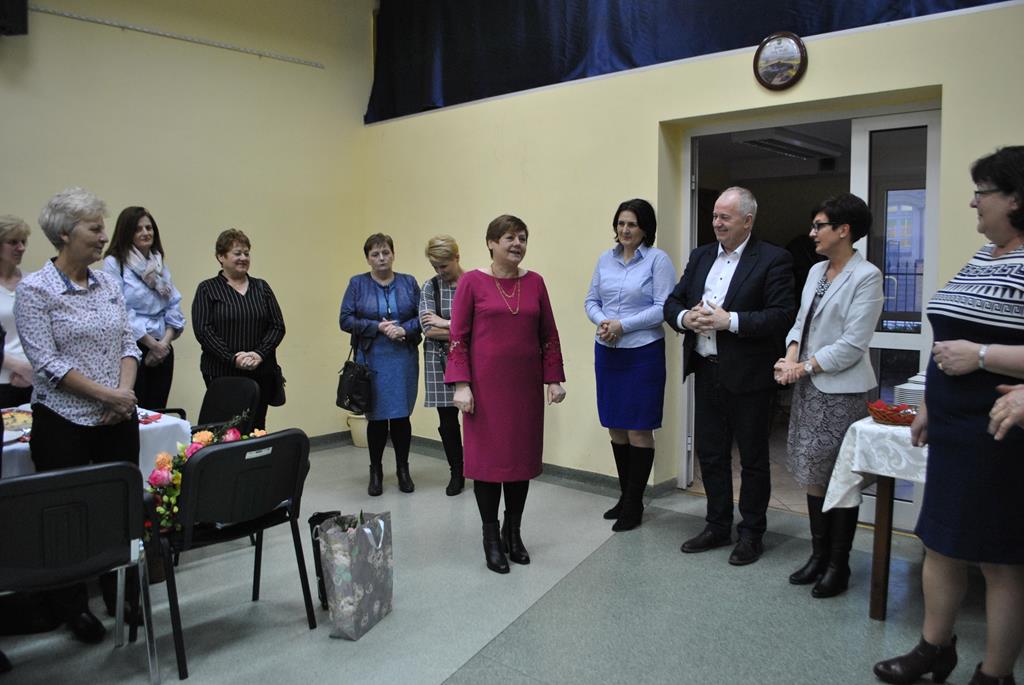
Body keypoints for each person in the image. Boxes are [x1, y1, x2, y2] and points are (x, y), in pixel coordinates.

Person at [874, 146, 1024, 685]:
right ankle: (934, 648)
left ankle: (995, 673)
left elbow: (970, 348)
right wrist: (929, 403)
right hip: (954, 427)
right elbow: (947, 337)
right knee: (940, 541)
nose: (973, 203)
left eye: (983, 193)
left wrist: (982, 356)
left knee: (1000, 560)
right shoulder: (984, 257)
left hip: (1000, 432)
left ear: (1016, 198)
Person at [15, 187, 142, 645]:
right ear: (66, 234)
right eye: (95, 228)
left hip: (117, 418)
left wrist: (123, 396)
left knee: (117, 511)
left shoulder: (108, 283)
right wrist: (108, 396)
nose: (104, 236)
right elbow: (47, 363)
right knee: (66, 517)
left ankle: (121, 594)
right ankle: (72, 608)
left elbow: (128, 342)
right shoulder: (35, 290)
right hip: (63, 421)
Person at [663, 186, 795, 566]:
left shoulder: (773, 259)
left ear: (747, 221)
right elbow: (673, 301)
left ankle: (751, 533)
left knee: (752, 458)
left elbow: (781, 314)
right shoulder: (701, 256)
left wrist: (730, 321)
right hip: (706, 370)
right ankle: (717, 525)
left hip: (750, 377)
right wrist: (685, 318)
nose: (717, 223)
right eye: (715, 216)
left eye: (725, 217)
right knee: (711, 454)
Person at [772, 193, 883, 598]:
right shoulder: (818, 270)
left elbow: (852, 344)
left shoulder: (866, 276)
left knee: (841, 478)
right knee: (813, 473)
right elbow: (801, 322)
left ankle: (839, 564)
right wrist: (790, 357)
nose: (812, 233)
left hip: (842, 392)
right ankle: (818, 556)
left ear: (844, 230)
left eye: (819, 225)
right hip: (809, 388)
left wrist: (803, 367)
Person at [446, 214, 566, 574]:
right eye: (510, 238)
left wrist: (553, 379)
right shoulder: (471, 282)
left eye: (523, 238)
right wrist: (461, 384)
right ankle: (491, 538)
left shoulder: (536, 283)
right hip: (484, 392)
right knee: (487, 466)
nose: (518, 244)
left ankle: (513, 533)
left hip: (524, 391)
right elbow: (458, 337)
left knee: (518, 465)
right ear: (491, 243)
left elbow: (549, 335)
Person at [584, 199, 675, 531]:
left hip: (642, 353)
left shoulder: (657, 260)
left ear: (645, 228)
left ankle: (635, 503)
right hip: (608, 351)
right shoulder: (604, 260)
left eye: (632, 224)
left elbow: (663, 307)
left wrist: (623, 325)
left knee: (638, 428)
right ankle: (625, 496)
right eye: (621, 223)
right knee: (616, 426)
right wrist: (604, 322)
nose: (625, 229)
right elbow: (591, 300)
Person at [340, 233, 421, 496]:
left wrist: (404, 329)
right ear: (367, 258)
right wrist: (377, 327)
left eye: (386, 252)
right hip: (371, 359)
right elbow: (345, 320)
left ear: (393, 254)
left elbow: (423, 316)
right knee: (375, 418)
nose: (381, 258)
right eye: (375, 254)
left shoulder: (408, 282)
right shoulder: (357, 283)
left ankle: (403, 470)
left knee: (401, 416)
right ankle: (375, 471)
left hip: (403, 358)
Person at [192, 229, 285, 431]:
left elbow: (277, 326)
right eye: (237, 253)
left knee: (256, 425)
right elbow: (204, 331)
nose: (243, 258)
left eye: (246, 253)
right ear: (221, 257)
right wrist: (233, 358)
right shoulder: (207, 289)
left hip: (261, 370)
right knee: (227, 428)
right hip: (222, 372)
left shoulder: (262, 287)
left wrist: (259, 354)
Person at [102, 207, 185, 409]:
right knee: (134, 409)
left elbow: (173, 305)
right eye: (138, 229)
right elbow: (118, 309)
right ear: (126, 233)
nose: (146, 233)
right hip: (133, 346)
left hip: (163, 346)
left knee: (158, 409)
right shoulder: (115, 263)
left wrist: (163, 344)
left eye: (149, 228)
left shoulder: (158, 264)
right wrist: (151, 344)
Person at [419, 235, 466, 495]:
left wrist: (446, 323)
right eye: (435, 266)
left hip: (471, 358)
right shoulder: (430, 287)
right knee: (447, 421)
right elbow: (428, 330)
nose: (439, 271)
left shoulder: (472, 283)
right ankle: (456, 471)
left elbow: (481, 328)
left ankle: (479, 467)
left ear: (456, 257)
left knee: (476, 417)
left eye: (444, 266)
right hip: (438, 360)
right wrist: (461, 328)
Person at [0, 216, 33, 408]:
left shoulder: (32, 282)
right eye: (13, 242)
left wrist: (32, 371)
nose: (21, 248)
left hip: (33, 378)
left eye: (23, 241)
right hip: (4, 380)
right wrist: (18, 366)